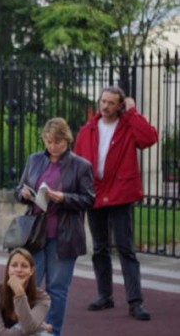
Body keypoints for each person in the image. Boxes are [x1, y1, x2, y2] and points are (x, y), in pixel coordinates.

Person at [74, 86, 158, 321]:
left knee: (125, 249)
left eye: (111, 102)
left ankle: (135, 301)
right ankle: (104, 295)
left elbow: (149, 138)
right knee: (100, 248)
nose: (105, 106)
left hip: (121, 193)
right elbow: (78, 160)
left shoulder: (128, 125)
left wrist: (132, 112)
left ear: (120, 105)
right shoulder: (88, 128)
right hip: (95, 194)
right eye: (103, 101)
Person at [14, 118, 95, 336]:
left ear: (67, 140)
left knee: (56, 290)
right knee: (28, 285)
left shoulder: (81, 166)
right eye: (48, 141)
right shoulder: (34, 160)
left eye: (57, 142)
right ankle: (28, 328)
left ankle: (52, 332)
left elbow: (89, 199)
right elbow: (19, 188)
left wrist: (64, 198)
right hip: (35, 234)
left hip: (64, 236)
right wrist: (22, 194)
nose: (52, 146)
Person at [0, 248, 51, 336]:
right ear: (8, 269)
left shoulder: (42, 298)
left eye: (24, 266)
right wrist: (40, 327)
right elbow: (0, 334)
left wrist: (19, 292)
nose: (19, 270)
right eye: (14, 265)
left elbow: (29, 329)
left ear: (31, 271)